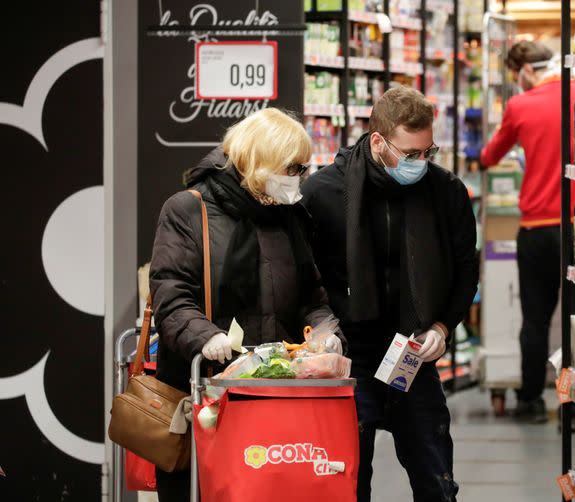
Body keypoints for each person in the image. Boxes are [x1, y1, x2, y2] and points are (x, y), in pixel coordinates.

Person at [149, 108, 345, 501]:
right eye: (292, 167)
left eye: (303, 168)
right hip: (207, 397)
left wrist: (326, 333)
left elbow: (310, 296)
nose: (299, 179)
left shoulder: (290, 216)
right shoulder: (189, 210)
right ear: (261, 161)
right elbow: (170, 293)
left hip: (274, 398)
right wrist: (204, 337)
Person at [301, 86, 479, 502]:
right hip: (348, 353)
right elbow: (305, 276)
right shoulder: (325, 192)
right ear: (378, 141)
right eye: (409, 153)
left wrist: (442, 325)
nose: (419, 162)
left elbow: (465, 268)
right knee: (349, 477)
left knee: (434, 472)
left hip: (411, 352)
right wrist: (321, 329)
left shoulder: (445, 191)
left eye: (427, 151)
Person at [479, 41, 575, 425]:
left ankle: (530, 401)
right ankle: (573, 405)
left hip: (536, 228)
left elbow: (489, 156)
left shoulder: (520, 106)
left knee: (534, 320)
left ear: (523, 70)